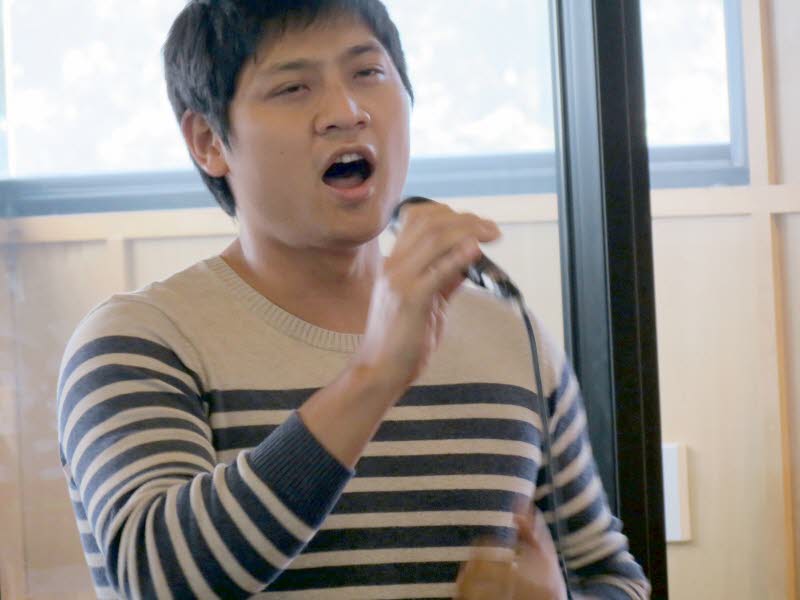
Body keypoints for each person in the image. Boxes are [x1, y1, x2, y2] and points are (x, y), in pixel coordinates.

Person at [56, 1, 651, 598]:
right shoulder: (140, 340)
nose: (347, 112)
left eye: (368, 73)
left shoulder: (509, 334)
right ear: (209, 141)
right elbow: (156, 577)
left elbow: (609, 574)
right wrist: (375, 375)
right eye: (292, 87)